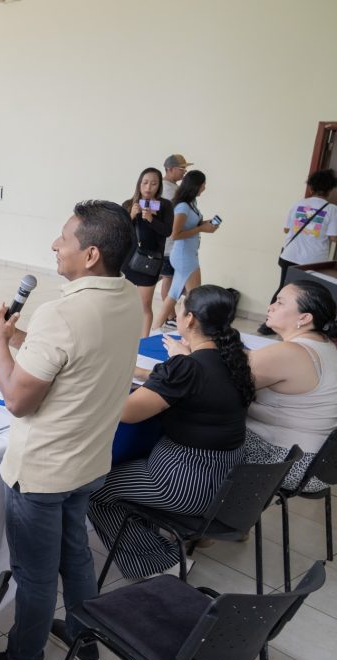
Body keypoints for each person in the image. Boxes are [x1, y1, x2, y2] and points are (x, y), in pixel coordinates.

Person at [0, 200, 142, 660]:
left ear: (90, 254)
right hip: (89, 462)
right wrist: (19, 337)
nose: (54, 245)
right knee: (77, 557)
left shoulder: (61, 313)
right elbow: (77, 355)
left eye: (63, 238)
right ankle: (86, 644)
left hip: (43, 472)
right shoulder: (128, 296)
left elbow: (16, 399)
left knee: (36, 575)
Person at [88, 286, 253, 580]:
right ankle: (151, 541)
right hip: (226, 478)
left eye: (179, 308)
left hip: (183, 480)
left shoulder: (188, 367)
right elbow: (194, 383)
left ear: (189, 319)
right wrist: (177, 361)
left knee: (93, 488)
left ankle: (160, 564)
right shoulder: (233, 358)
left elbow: (127, 412)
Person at [244, 280, 337, 491]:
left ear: (304, 318)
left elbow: (219, 385)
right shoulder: (325, 345)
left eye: (280, 302)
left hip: (287, 463)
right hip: (320, 464)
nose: (270, 307)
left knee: (196, 423)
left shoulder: (291, 353)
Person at [258, 169, 337, 335]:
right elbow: (333, 238)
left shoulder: (297, 204)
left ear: (311, 187)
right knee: (311, 294)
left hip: (290, 255)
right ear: (330, 189)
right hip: (314, 260)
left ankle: (268, 324)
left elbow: (286, 229)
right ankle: (304, 327)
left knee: (283, 289)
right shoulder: (331, 210)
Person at [153, 170, 219, 330]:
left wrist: (205, 224)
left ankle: (155, 328)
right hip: (184, 256)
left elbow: (191, 225)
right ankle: (192, 329)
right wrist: (201, 229)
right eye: (203, 185)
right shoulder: (182, 206)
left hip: (188, 254)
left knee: (175, 294)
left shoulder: (191, 204)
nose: (204, 188)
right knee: (194, 297)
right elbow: (175, 234)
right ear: (196, 186)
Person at [122, 167, 174, 338]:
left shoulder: (165, 205)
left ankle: (143, 342)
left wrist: (151, 219)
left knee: (145, 305)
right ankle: (123, 336)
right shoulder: (129, 204)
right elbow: (120, 232)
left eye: (153, 183)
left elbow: (167, 231)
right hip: (128, 261)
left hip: (150, 262)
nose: (148, 187)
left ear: (159, 186)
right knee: (123, 303)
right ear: (139, 184)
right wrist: (131, 216)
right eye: (145, 183)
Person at [158, 155, 191, 305]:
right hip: (168, 244)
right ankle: (169, 315)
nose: (184, 171)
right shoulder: (165, 188)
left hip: (174, 243)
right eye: (182, 168)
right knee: (168, 278)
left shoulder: (174, 187)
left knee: (169, 278)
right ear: (170, 169)